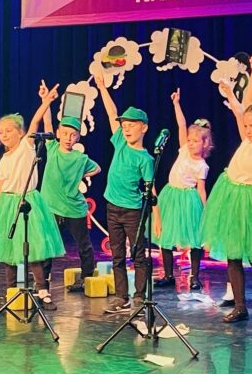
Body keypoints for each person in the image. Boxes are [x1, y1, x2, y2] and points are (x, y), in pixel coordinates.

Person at [201, 50, 252, 327]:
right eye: (245, 126)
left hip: (249, 202)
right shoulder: (247, 140)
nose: (247, 130)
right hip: (229, 194)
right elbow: (248, 103)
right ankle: (239, 307)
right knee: (233, 255)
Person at [0, 89, 65, 310]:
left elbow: (35, 122)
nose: (4, 135)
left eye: (9, 130)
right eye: (1, 132)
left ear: (20, 132)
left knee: (32, 249)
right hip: (7, 204)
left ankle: (42, 291)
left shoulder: (26, 147)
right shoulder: (4, 159)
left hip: (28, 202)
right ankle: (11, 292)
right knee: (9, 251)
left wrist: (45, 102)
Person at [90, 64, 155, 314]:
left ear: (144, 127)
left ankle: (139, 296)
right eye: (124, 125)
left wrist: (157, 217)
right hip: (112, 207)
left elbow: (150, 188)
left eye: (132, 124)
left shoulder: (145, 159)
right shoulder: (119, 141)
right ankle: (121, 296)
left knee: (138, 254)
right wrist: (102, 88)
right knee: (117, 255)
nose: (126, 128)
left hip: (133, 211)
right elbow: (111, 113)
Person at [36, 80, 102, 292]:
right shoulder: (53, 148)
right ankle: (43, 281)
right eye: (64, 133)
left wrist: (81, 174)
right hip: (51, 206)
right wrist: (45, 101)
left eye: (73, 135)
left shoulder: (80, 158)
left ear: (77, 137)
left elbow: (97, 168)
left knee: (83, 245)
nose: (68, 138)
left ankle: (87, 277)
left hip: (74, 208)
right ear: (58, 133)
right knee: (47, 244)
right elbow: (46, 124)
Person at [154, 89, 212, 291]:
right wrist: (176, 104)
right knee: (165, 236)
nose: (191, 143)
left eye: (195, 141)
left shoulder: (202, 165)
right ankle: (168, 275)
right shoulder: (184, 150)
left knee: (195, 240)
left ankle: (194, 277)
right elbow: (181, 124)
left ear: (205, 143)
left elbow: (201, 190)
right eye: (190, 140)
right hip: (171, 195)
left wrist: (205, 211)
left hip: (188, 200)